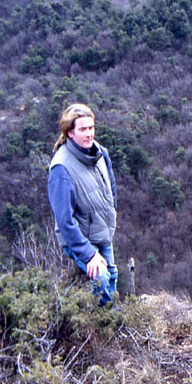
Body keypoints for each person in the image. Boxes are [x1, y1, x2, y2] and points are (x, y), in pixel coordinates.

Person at [48, 103, 118, 305]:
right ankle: (98, 327)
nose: (89, 134)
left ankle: (112, 325)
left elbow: (110, 184)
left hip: (101, 229)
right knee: (101, 279)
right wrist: (88, 255)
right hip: (81, 237)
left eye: (91, 128)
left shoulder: (100, 153)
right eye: (83, 129)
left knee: (112, 277)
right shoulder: (61, 168)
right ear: (70, 133)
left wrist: (113, 210)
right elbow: (64, 221)